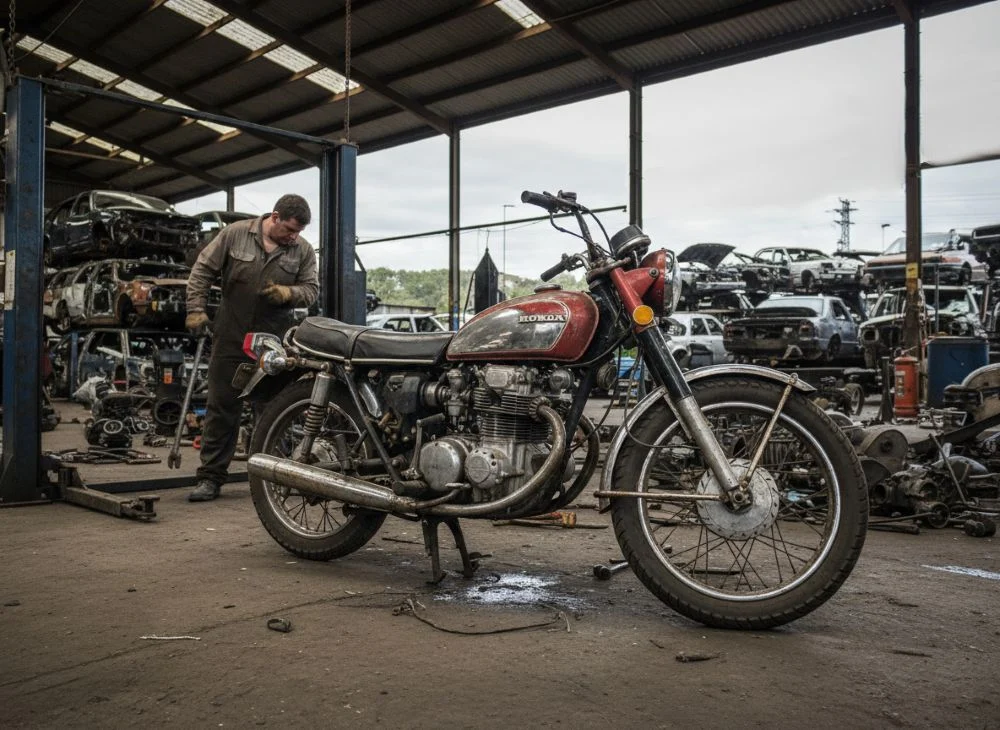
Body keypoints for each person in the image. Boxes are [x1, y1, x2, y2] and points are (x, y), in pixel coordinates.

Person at [184, 194, 319, 502]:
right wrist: (195, 308)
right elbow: (202, 270)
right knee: (222, 407)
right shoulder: (235, 234)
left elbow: (311, 291)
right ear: (274, 217)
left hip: (274, 339)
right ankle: (210, 478)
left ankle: (276, 475)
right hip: (231, 332)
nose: (293, 237)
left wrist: (287, 292)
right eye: (289, 230)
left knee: (273, 408)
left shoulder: (303, 250)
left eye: (298, 232)